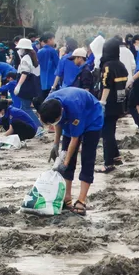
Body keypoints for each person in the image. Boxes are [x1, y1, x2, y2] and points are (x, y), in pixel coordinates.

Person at [41, 87, 104, 217]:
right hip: (69, 118)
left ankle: (81, 200)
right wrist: (55, 144)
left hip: (92, 117)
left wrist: (66, 162)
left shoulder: (74, 107)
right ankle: (67, 197)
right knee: (65, 153)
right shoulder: (48, 104)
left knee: (87, 158)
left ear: (61, 112)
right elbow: (58, 123)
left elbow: (75, 139)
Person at [98, 36, 129, 173]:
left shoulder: (107, 66)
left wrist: (102, 103)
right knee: (111, 130)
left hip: (109, 104)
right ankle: (116, 157)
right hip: (120, 103)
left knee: (107, 133)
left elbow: (106, 85)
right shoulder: (121, 65)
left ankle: (108, 163)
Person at [13, 38, 42, 127]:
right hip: (31, 86)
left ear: (24, 49)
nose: (18, 50)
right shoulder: (31, 57)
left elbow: (24, 73)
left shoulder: (25, 58)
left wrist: (18, 85)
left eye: (20, 48)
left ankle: (38, 126)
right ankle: (24, 125)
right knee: (23, 108)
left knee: (26, 108)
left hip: (26, 86)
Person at [37, 32, 60, 102]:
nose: (54, 41)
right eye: (53, 39)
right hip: (52, 81)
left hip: (43, 81)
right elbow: (58, 65)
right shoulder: (52, 51)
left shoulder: (40, 51)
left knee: (45, 101)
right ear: (49, 40)